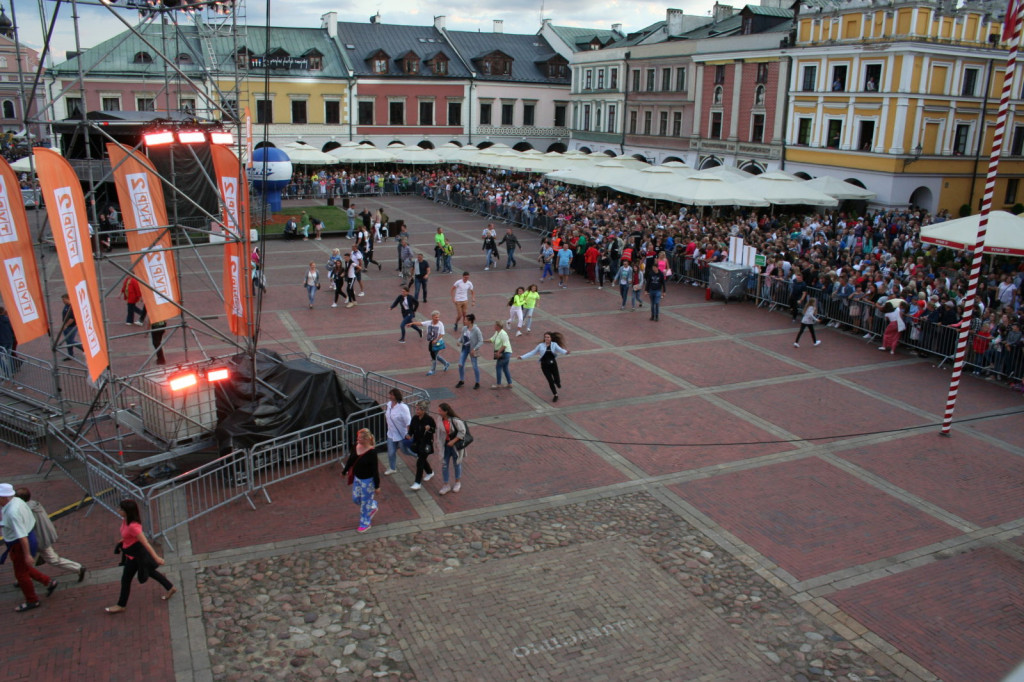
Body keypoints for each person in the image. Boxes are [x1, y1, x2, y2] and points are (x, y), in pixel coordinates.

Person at [105, 499, 175, 613]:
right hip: (132, 555)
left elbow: (145, 543)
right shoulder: (125, 520)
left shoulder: (134, 526)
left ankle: (121, 605)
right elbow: (130, 536)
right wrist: (124, 539)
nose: (119, 510)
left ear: (128, 511)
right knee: (151, 572)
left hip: (136, 556)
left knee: (126, 579)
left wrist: (157, 558)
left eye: (121, 509)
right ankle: (170, 587)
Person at [1, 482, 58, 612]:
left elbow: (22, 537)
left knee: (21, 574)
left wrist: (27, 555)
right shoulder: (16, 501)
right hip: (24, 539)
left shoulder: (12, 513)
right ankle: (48, 581)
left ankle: (32, 600)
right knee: (23, 567)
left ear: (4, 498)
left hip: (19, 544)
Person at [15, 487, 86, 583]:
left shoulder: (26, 510)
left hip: (39, 539)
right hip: (43, 536)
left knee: (53, 559)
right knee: (29, 559)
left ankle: (78, 568)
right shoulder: (34, 504)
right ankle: (24, 577)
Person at [341, 428, 380, 533]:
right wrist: (344, 471)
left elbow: (375, 469)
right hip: (358, 478)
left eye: (360, 439)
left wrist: (377, 485)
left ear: (366, 439)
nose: (358, 440)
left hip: (368, 481)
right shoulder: (356, 446)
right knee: (356, 498)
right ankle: (372, 505)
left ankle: (365, 523)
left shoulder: (372, 452)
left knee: (364, 504)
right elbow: (351, 459)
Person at [519, 331, 570, 402]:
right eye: (545, 337)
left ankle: (557, 382)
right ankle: (555, 394)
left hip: (553, 364)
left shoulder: (554, 345)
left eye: (548, 337)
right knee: (550, 381)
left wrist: (566, 352)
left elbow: (561, 350)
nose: (546, 338)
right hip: (544, 366)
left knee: (557, 379)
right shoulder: (540, 345)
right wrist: (522, 357)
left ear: (551, 338)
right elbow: (532, 352)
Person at [437, 403, 468, 495]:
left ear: (446, 411)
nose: (439, 412)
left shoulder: (455, 421)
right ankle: (446, 484)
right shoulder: (439, 419)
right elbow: (438, 432)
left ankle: (457, 482)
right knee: (444, 464)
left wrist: (453, 441)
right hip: (445, 446)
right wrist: (438, 443)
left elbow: (462, 432)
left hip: (455, 446)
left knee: (457, 463)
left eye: (440, 410)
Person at [383, 388, 415, 475]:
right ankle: (392, 468)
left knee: (405, 451)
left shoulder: (403, 408)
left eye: (392, 395)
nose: (389, 396)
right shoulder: (389, 405)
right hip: (391, 434)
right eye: (390, 394)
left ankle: (418, 456)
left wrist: (409, 434)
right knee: (391, 452)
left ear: (396, 396)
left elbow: (408, 422)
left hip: (402, 434)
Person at [410, 310, 450, 375]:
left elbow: (442, 334)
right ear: (432, 317)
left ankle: (432, 370)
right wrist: (412, 323)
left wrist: (436, 340)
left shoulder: (440, 324)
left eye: (438, 317)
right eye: (436, 317)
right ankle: (446, 363)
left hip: (438, 342)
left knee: (433, 356)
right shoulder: (429, 323)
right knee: (435, 355)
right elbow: (421, 323)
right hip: (431, 342)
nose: (437, 319)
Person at [408, 402, 436, 490]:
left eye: (418, 409)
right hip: (417, 443)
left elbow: (434, 429)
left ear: (423, 410)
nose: (416, 411)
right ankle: (430, 472)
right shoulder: (415, 418)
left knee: (420, 462)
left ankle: (417, 482)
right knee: (422, 459)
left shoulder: (429, 419)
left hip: (426, 443)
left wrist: (430, 429)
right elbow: (411, 429)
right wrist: (409, 434)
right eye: (416, 409)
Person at [456, 313, 483, 390]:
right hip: (465, 348)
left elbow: (481, 341)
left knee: (475, 366)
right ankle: (462, 380)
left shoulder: (476, 330)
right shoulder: (464, 328)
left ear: (470, 321)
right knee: (460, 364)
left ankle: (477, 382)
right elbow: (461, 338)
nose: (464, 321)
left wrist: (474, 349)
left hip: (473, 350)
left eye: (466, 320)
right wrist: (458, 341)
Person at [487, 320, 513, 389]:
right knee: (505, 368)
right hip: (505, 353)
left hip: (505, 353)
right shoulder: (497, 332)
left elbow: (504, 345)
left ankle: (498, 384)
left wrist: (498, 352)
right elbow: (492, 340)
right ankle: (510, 383)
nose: (494, 326)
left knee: (498, 367)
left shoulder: (503, 334)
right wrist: (482, 341)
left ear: (498, 326)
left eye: (495, 325)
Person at [59, 293, 81, 361]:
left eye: (64, 299)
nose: (63, 301)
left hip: (71, 327)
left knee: (71, 341)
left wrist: (65, 325)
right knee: (68, 342)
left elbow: (72, 319)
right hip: (67, 326)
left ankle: (84, 349)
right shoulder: (66, 306)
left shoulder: (72, 307)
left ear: (68, 299)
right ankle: (70, 355)